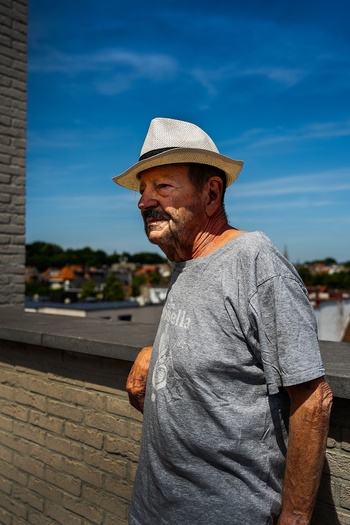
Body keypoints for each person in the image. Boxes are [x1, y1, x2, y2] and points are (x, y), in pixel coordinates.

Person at [113, 117, 333, 525]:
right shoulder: (188, 261)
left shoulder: (255, 262)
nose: (143, 202)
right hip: (154, 510)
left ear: (211, 193)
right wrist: (155, 351)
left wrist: (296, 517)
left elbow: (313, 399)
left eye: (162, 186)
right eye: (144, 189)